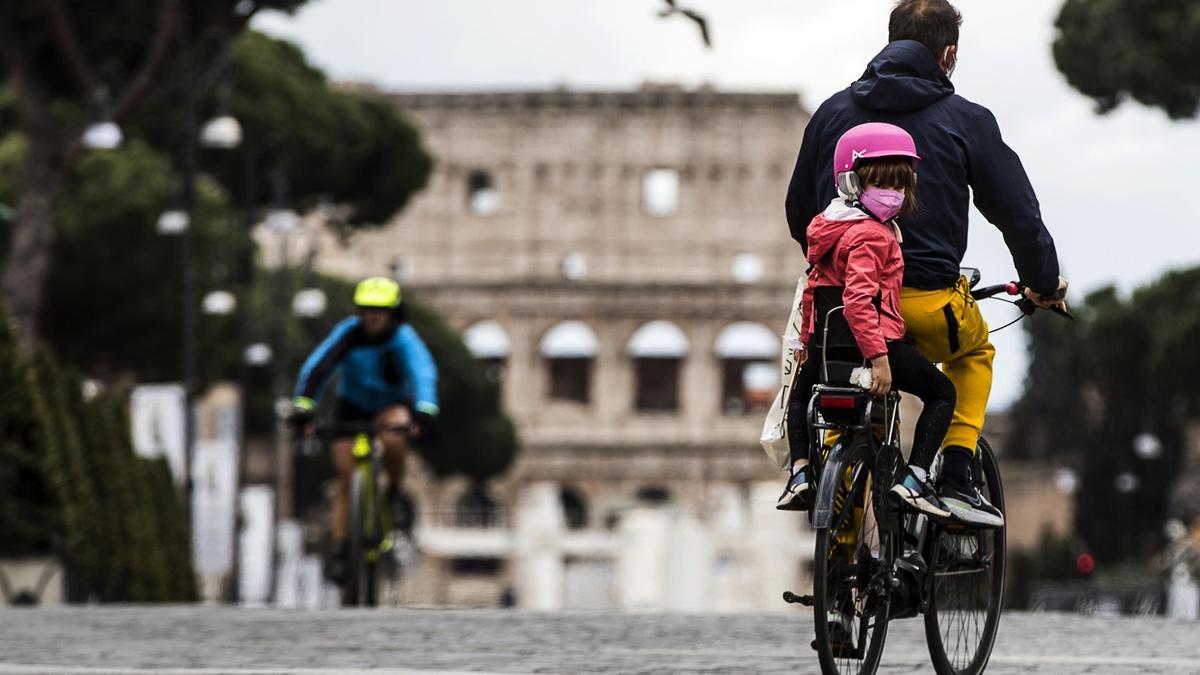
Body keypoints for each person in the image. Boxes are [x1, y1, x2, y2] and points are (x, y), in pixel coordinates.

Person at [784, 0, 1068, 527]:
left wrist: (841, 261)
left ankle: (838, 533)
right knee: (975, 352)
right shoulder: (968, 121)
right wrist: (1043, 283)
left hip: (837, 311)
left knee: (837, 381)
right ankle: (957, 474)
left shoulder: (830, 113)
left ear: (890, 41)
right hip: (925, 304)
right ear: (949, 54)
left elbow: (799, 211)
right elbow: (1019, 218)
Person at [776, 122, 955, 523]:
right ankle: (916, 479)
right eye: (884, 184)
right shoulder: (872, 235)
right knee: (943, 394)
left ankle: (800, 471)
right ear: (853, 182)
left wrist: (807, 345)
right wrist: (880, 358)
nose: (896, 195)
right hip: (870, 346)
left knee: (799, 398)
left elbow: (813, 292)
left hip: (826, 349)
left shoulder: (825, 228)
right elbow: (858, 301)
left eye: (902, 184)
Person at [290, 276, 439, 580]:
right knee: (345, 475)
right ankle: (343, 547)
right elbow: (319, 366)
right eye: (367, 309)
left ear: (393, 313)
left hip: (390, 405)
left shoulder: (403, 338)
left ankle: (393, 491)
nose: (373, 316)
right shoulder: (348, 333)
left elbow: (422, 370)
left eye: (380, 310)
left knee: (396, 434)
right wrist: (304, 405)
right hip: (352, 405)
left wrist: (425, 408)